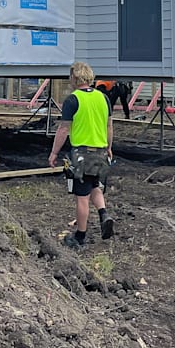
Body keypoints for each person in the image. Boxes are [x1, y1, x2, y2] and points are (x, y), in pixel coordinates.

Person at [49, 61, 115, 247]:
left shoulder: (73, 99)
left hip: (81, 154)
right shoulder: (103, 98)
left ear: (75, 78)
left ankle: (80, 236)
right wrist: (109, 147)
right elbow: (109, 125)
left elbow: (63, 129)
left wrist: (54, 152)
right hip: (100, 151)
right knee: (95, 185)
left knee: (81, 197)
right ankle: (104, 214)